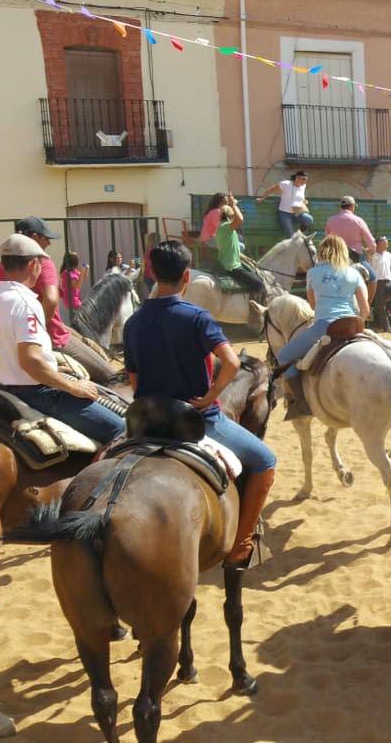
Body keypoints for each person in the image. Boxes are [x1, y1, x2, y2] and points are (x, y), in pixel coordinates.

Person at [123, 240, 277, 569]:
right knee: (265, 461)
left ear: (152, 275)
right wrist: (210, 396)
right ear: (187, 276)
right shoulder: (196, 317)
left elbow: (133, 380)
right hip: (196, 418)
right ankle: (242, 545)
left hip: (147, 419)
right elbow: (232, 363)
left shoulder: (133, 323)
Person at [0, 234, 124, 444]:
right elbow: (30, 361)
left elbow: (6, 350)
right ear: (34, 264)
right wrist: (73, 387)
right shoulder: (26, 302)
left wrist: (51, 368)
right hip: (37, 393)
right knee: (123, 429)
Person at [0, 217, 115, 383]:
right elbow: (51, 299)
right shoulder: (41, 262)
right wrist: (38, 332)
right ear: (34, 237)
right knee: (111, 375)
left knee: (84, 339)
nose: (48, 243)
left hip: (7, 341)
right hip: (50, 336)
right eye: (45, 238)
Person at [275, 235, 369, 420]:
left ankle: (301, 402)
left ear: (322, 251)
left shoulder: (313, 273)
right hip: (353, 326)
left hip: (325, 326)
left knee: (284, 355)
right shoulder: (354, 273)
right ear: (343, 251)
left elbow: (312, 305)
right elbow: (364, 309)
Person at [325, 195, 380, 300]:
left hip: (336, 259)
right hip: (355, 259)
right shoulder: (358, 220)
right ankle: (367, 308)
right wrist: (370, 251)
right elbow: (372, 244)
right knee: (373, 278)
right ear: (352, 207)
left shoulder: (330, 220)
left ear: (341, 207)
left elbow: (327, 241)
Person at [214, 202, 265, 300]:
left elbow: (231, 250)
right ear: (231, 216)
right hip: (232, 267)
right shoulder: (226, 227)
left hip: (227, 263)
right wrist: (233, 204)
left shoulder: (221, 228)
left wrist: (247, 259)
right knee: (258, 283)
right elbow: (240, 219)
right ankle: (254, 307)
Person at [257, 171, 312, 237]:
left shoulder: (303, 186)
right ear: (297, 178)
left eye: (306, 180)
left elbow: (299, 195)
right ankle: (293, 241)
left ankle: (299, 235)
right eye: (303, 179)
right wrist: (262, 198)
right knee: (290, 236)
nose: (305, 182)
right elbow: (271, 190)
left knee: (308, 219)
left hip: (297, 213)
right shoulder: (286, 184)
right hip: (285, 214)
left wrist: (303, 200)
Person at [59, 251, 87, 318]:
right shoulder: (68, 273)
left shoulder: (73, 271)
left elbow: (83, 278)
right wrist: (82, 273)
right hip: (73, 302)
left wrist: (85, 271)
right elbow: (77, 286)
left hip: (74, 301)